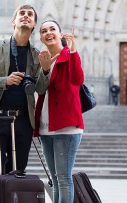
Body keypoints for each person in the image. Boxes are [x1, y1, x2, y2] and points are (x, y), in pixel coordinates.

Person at [0, 4, 48, 201]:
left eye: (30, 15)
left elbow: (40, 89)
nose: (25, 17)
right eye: (22, 14)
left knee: (17, 172)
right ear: (14, 21)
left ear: (34, 24)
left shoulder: (36, 55)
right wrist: (5, 81)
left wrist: (45, 70)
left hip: (23, 121)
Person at [33, 20, 84, 203]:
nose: (48, 32)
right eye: (44, 30)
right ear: (40, 37)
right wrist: (45, 69)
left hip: (66, 127)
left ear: (60, 34)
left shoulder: (68, 55)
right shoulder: (44, 59)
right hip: (47, 126)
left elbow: (78, 79)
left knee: (63, 178)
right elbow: (40, 90)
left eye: (52, 29)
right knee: (54, 180)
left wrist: (72, 50)